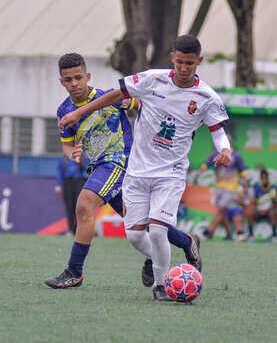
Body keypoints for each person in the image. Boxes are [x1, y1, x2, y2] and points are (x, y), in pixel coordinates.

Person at [57, 35, 232, 301]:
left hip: (169, 172)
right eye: (180, 62)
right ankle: (183, 248)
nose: (184, 68)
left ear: (199, 62)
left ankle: (160, 285)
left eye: (190, 64)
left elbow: (217, 130)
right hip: (137, 171)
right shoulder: (152, 79)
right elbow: (119, 94)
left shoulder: (206, 97)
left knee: (158, 228)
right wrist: (80, 116)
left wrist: (225, 150)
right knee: (136, 237)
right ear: (173, 57)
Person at [195, 138, 248, 240]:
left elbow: (243, 172)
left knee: (221, 209)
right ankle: (236, 233)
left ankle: (208, 232)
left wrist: (245, 187)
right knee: (221, 211)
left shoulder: (236, 155)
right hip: (218, 187)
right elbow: (206, 163)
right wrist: (198, 174)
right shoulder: (216, 153)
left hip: (231, 188)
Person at [55, 156, 88, 235]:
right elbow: (60, 172)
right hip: (67, 183)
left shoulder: (83, 158)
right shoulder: (64, 159)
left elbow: (87, 171)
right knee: (69, 207)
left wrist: (81, 163)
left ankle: (80, 229)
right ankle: (71, 229)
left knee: (79, 207)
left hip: (79, 182)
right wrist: (58, 185)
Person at [248, 169, 277, 242]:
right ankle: (251, 235)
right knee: (250, 214)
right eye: (262, 178)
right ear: (260, 179)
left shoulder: (273, 188)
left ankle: (274, 235)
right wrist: (257, 210)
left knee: (273, 213)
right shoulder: (257, 188)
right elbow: (254, 202)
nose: (264, 180)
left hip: (268, 211)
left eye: (265, 178)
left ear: (268, 178)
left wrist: (267, 210)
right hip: (259, 211)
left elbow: (274, 203)